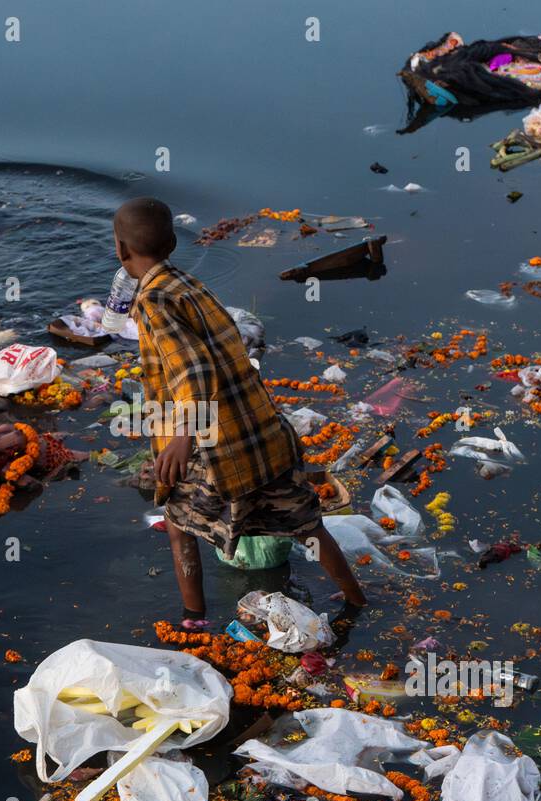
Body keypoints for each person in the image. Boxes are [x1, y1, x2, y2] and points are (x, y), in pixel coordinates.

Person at [113, 196, 367, 622]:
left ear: (121, 251)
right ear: (173, 243)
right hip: (264, 434)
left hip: (215, 445)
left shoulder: (153, 302)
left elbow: (194, 371)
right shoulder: (189, 285)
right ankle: (356, 600)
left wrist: (180, 437)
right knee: (309, 525)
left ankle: (194, 620)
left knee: (178, 526)